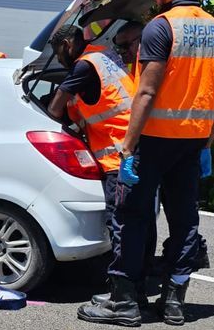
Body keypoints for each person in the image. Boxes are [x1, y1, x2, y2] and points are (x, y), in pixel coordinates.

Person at [78, 0, 214, 327]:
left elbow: (146, 91)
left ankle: (125, 301)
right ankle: (174, 301)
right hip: (192, 140)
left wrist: (128, 146)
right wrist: (208, 140)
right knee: (184, 220)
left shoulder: (162, 28)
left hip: (155, 139)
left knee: (132, 216)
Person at [45, 25, 150, 303]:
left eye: (58, 52)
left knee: (122, 224)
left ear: (68, 44)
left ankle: (123, 297)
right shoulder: (104, 58)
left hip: (119, 156)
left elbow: (54, 110)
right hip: (138, 148)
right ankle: (139, 288)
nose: (58, 59)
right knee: (140, 222)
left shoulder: (83, 67)